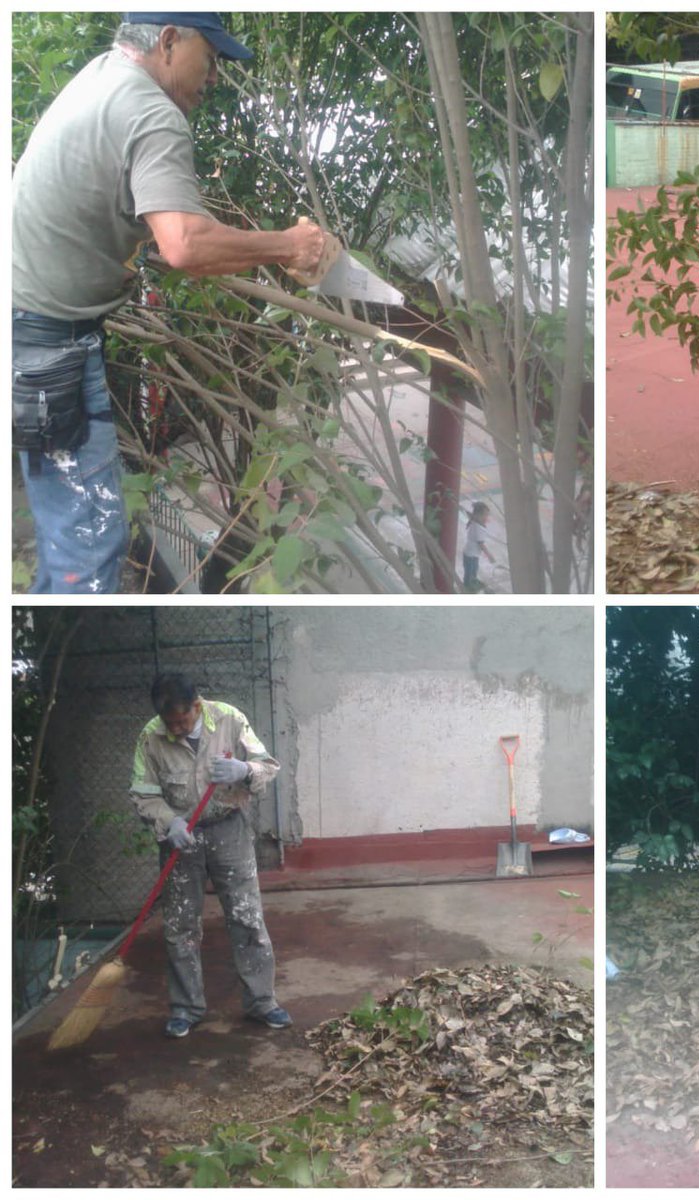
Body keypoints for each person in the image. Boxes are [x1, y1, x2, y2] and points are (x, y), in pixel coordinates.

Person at [12, 13, 332, 593]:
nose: (213, 77)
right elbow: (184, 245)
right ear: (167, 42)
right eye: (209, 59)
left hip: (31, 326)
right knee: (88, 549)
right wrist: (288, 245)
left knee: (72, 533)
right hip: (44, 339)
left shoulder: (102, 76)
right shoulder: (153, 112)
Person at [129, 671, 291, 1037]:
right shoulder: (150, 737)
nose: (177, 729)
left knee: (247, 916)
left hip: (227, 829)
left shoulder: (230, 720)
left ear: (197, 706)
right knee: (180, 926)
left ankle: (262, 1001)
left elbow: (268, 766)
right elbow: (143, 793)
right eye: (170, 723)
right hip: (180, 837)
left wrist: (244, 769)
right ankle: (186, 1008)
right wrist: (169, 823)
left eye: (183, 720)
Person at [463, 501, 496, 591]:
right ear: (477, 515)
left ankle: (471, 584)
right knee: (470, 573)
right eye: (484, 515)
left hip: (470, 554)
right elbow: (481, 544)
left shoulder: (475, 522)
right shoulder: (478, 527)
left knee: (472, 571)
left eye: (487, 515)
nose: (486, 517)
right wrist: (489, 556)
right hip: (471, 555)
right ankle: (468, 588)